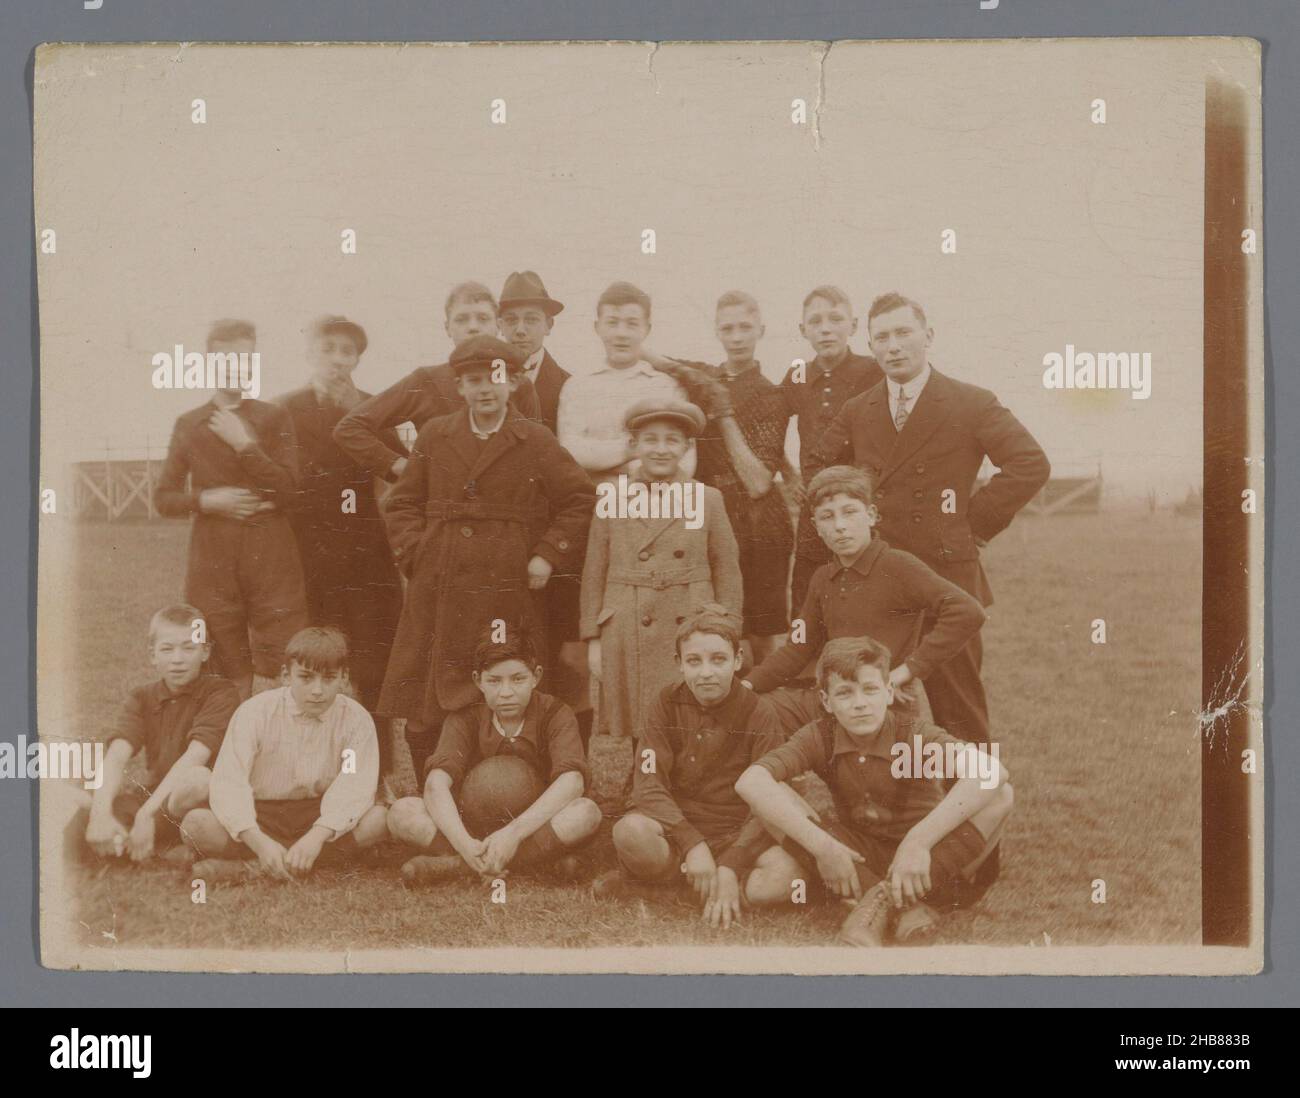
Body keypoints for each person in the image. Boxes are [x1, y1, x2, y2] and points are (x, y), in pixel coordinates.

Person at [809, 292, 1050, 745]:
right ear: (871, 345)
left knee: (958, 704)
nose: (893, 346)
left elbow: (1030, 463)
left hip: (947, 573)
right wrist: (848, 521)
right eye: (882, 337)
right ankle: (888, 806)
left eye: (904, 333)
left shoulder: (970, 402)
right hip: (878, 575)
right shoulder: (858, 409)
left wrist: (971, 525)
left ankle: (977, 803)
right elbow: (818, 470)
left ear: (928, 336)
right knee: (873, 697)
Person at [379, 335, 595, 773]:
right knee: (429, 700)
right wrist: (416, 555)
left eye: (495, 378)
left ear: (513, 382)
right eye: (473, 380)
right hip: (440, 585)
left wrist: (548, 554)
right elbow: (401, 503)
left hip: (509, 585)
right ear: (460, 387)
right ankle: (436, 793)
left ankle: (512, 783)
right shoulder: (436, 436)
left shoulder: (534, 439)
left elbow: (580, 499)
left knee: (505, 683)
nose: (485, 389)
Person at [736, 636, 1014, 945]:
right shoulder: (820, 735)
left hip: (931, 859)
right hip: (858, 855)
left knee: (1001, 795)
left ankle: (877, 902)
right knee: (772, 795)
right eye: (845, 693)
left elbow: (992, 772)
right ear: (826, 702)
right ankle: (901, 905)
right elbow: (750, 782)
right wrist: (823, 848)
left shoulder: (913, 734)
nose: (860, 703)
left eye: (870, 690)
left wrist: (918, 842)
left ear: (889, 692)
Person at [743, 465, 986, 739]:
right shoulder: (823, 578)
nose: (840, 526)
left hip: (889, 707)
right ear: (816, 527)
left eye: (849, 512)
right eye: (827, 517)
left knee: (888, 777)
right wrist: (747, 686)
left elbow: (967, 611)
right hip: (838, 703)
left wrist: (907, 671)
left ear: (871, 515)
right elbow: (797, 649)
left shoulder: (897, 565)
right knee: (751, 711)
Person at [594, 607, 789, 929]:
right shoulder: (664, 703)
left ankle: (675, 889)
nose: (706, 672)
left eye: (718, 659)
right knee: (630, 832)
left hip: (735, 831)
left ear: (738, 660)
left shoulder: (760, 713)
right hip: (676, 829)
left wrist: (731, 862)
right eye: (694, 661)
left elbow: (771, 800)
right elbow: (648, 783)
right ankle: (697, 884)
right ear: (679, 664)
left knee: (785, 874)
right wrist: (692, 843)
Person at [155, 318, 308, 697]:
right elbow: (163, 497)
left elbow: (291, 490)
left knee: (282, 668)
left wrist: (244, 444)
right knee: (226, 671)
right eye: (225, 360)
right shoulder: (190, 424)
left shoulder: (273, 418)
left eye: (244, 359)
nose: (235, 369)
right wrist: (207, 500)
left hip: (272, 558)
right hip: (214, 561)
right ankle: (226, 752)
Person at [580, 399, 741, 742]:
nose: (661, 449)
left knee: (688, 702)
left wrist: (727, 627)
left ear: (687, 447)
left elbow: (727, 569)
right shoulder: (611, 497)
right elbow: (595, 569)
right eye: (650, 439)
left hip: (691, 613)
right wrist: (593, 637)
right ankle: (644, 767)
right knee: (641, 709)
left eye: (672, 440)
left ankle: (684, 772)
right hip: (627, 617)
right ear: (633, 445)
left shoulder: (707, 498)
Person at [387, 632, 601, 883]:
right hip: (472, 827)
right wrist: (465, 843)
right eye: (495, 681)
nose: (506, 692)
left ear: (536, 676)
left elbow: (573, 781)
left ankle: (458, 866)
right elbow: (436, 784)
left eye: (518, 679)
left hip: (532, 825)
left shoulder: (555, 713)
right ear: (478, 681)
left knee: (586, 813)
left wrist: (512, 834)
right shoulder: (466, 717)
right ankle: (506, 861)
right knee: (402, 813)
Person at [182, 626, 390, 881]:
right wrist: (258, 841)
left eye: (329, 678)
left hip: (320, 811)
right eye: (306, 677)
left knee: (378, 819)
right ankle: (294, 862)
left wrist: (317, 835)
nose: (317, 690)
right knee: (196, 825)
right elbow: (230, 782)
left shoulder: (356, 719)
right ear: (285, 675)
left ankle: (251, 870)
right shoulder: (255, 712)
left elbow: (354, 785)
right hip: (262, 813)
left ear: (344, 678)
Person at [278, 316, 401, 732]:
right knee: (314, 664)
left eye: (346, 351)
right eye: (327, 348)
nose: (336, 360)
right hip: (308, 554)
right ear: (309, 352)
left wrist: (357, 415)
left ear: (358, 359)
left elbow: (403, 468)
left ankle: (378, 769)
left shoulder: (373, 404)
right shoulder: (284, 407)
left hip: (367, 555)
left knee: (373, 667)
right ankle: (310, 763)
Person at [496, 271, 591, 748]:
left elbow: (576, 479)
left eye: (531, 319)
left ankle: (573, 760)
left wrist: (555, 547)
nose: (520, 330)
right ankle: (517, 753)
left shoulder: (572, 387)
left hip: (561, 542)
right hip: (504, 543)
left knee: (566, 655)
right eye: (510, 320)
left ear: (548, 326)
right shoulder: (484, 390)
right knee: (513, 650)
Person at [331, 282, 542, 482]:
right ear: (447, 328)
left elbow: (535, 453)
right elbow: (350, 428)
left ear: (497, 326)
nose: (473, 327)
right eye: (461, 320)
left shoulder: (520, 385)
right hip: (441, 508)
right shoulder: (426, 381)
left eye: (482, 318)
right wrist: (400, 466)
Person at [80, 604, 239, 863]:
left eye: (189, 648)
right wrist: (99, 813)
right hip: (155, 797)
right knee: (72, 798)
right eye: (167, 649)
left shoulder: (221, 692)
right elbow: (118, 755)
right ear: (153, 655)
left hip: (198, 800)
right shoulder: (142, 697)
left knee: (198, 779)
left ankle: (157, 840)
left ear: (205, 652)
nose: (178, 659)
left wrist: (145, 816)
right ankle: (149, 843)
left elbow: (196, 757)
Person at [778, 286, 883, 612]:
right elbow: (769, 429)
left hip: (861, 503)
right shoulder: (797, 375)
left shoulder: (873, 371)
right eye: (816, 321)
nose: (825, 328)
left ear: (853, 325)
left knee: (866, 594)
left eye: (835, 319)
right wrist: (788, 475)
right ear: (803, 329)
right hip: (814, 506)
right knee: (809, 600)